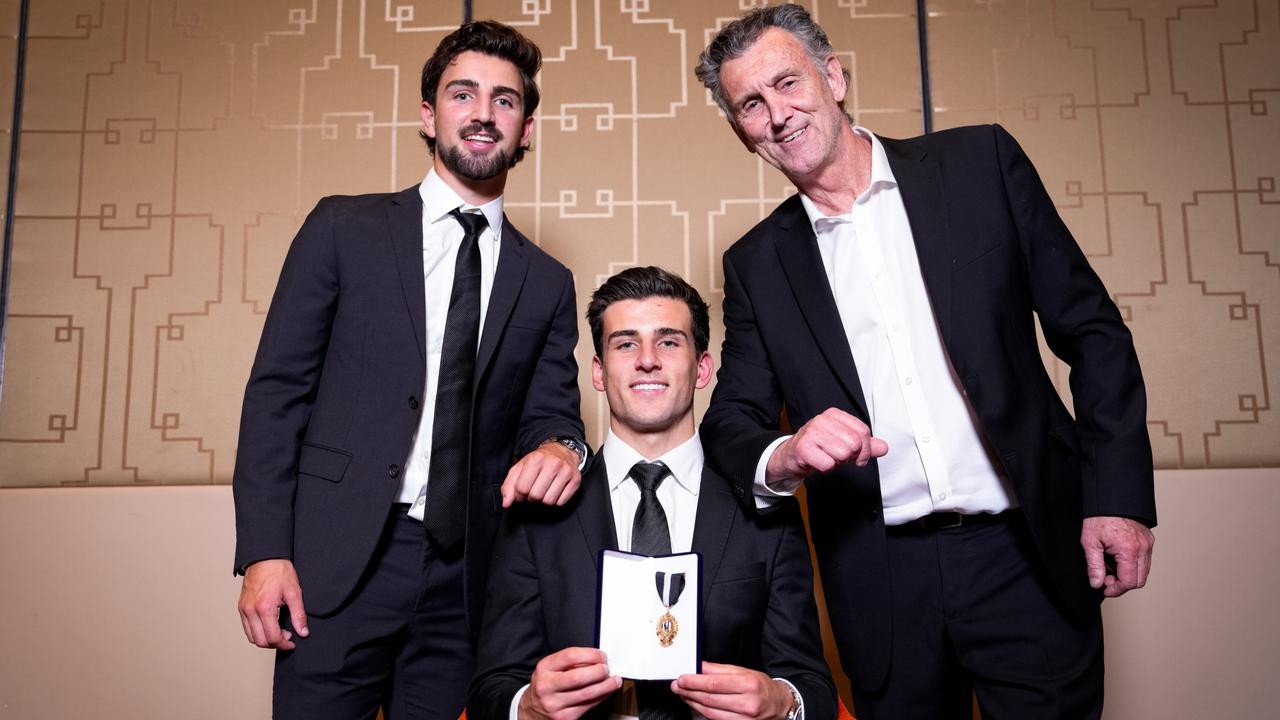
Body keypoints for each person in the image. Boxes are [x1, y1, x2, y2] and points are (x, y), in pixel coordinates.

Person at [695, 5, 1156, 718]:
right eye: (750, 104)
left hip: (1027, 556)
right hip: (883, 586)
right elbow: (731, 421)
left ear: (833, 76)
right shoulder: (756, 264)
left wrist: (1116, 497)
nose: (777, 113)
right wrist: (785, 454)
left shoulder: (980, 166)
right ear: (738, 131)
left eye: (788, 83)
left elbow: (1093, 331)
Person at [232, 21, 589, 719]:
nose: (484, 113)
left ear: (527, 129)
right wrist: (264, 553)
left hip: (467, 580)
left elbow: (555, 414)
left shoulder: (547, 281)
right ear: (430, 115)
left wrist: (560, 447)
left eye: (505, 101)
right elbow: (277, 394)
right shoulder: (343, 229)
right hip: (335, 564)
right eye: (464, 94)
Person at [468, 266, 836, 720]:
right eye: (625, 343)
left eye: (668, 341)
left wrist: (783, 702)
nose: (647, 359)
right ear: (599, 373)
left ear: (702, 368)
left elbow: (812, 684)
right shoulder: (538, 508)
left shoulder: (764, 507)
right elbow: (491, 686)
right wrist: (526, 706)